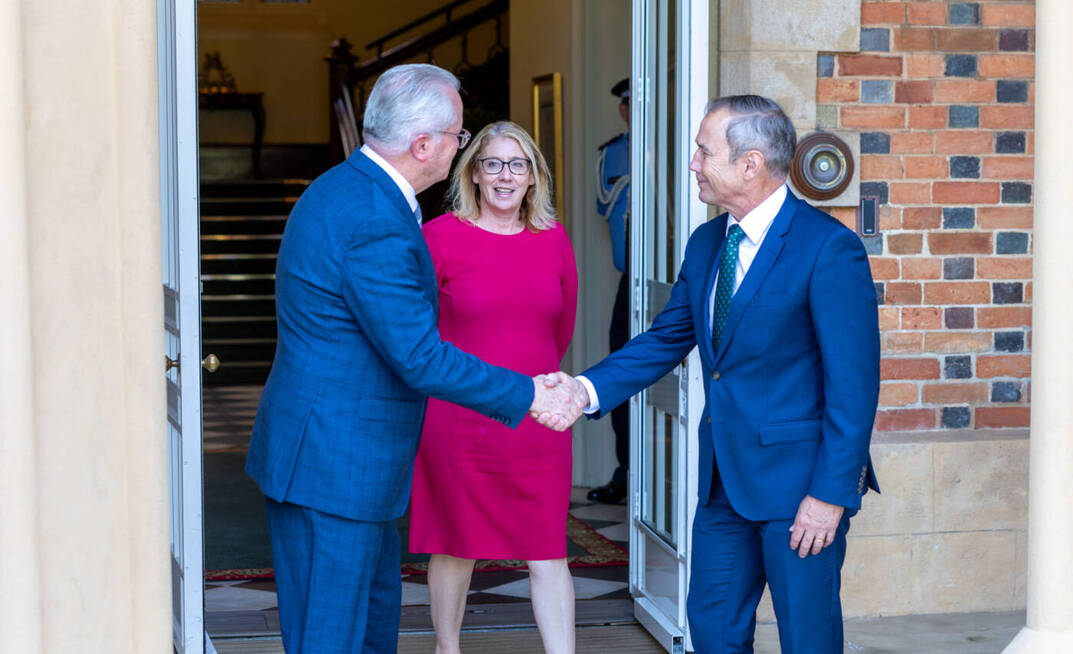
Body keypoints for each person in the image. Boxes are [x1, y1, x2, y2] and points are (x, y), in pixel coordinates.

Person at [245, 64, 583, 654]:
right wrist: (531, 393)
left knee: (366, 633)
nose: (461, 146)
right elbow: (420, 356)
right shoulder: (376, 217)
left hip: (342, 462)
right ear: (424, 145)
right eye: (457, 136)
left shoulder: (352, 189)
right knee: (332, 638)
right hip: (336, 466)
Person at [548, 95, 881, 653]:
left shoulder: (829, 249)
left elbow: (854, 386)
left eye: (704, 151)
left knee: (808, 638)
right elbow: (666, 339)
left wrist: (829, 494)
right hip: (722, 485)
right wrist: (584, 390)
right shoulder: (707, 243)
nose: (694, 164)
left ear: (750, 164)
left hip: (801, 488)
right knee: (713, 630)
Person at [409, 121, 578, 654]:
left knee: (548, 548)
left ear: (534, 178)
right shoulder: (438, 237)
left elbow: (562, 328)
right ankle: (448, 647)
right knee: (455, 543)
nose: (506, 176)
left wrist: (539, 388)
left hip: (538, 416)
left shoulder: (553, 239)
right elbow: (417, 332)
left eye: (518, 165)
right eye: (493, 164)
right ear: (474, 174)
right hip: (458, 419)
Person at [588, 77, 631, 504]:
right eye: (629, 104)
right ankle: (627, 469)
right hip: (630, 279)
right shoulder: (614, 152)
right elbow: (605, 199)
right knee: (622, 367)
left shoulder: (676, 149)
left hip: (672, 276)